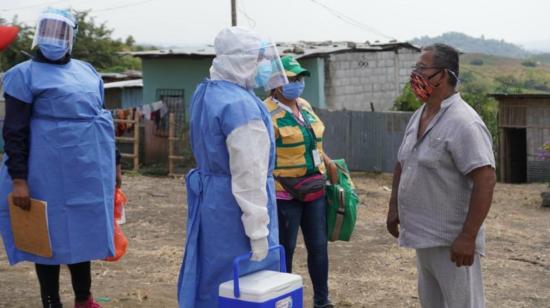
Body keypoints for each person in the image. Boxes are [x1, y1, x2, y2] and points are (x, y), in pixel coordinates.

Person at [0, 8, 121, 308]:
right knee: (47, 238)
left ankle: (84, 299)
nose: (54, 38)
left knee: (83, 234)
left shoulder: (87, 71)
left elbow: (102, 119)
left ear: (71, 37)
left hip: (88, 171)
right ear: (39, 35)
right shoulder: (22, 75)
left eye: (61, 31)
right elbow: (14, 131)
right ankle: (51, 301)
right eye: (49, 30)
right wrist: (19, 180)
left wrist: (114, 164)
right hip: (45, 171)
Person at [177, 27, 288, 308]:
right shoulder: (241, 107)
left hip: (213, 203)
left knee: (212, 278)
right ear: (240, 60)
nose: (264, 66)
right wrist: (258, 231)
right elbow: (249, 173)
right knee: (241, 282)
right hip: (236, 211)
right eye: (258, 58)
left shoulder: (208, 92)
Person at [386, 43, 496, 308]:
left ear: (443, 75)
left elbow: (486, 179)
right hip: (424, 237)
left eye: (422, 69)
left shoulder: (464, 122)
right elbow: (404, 161)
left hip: (453, 244)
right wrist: (394, 207)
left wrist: (468, 237)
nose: (416, 75)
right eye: (416, 68)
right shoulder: (419, 115)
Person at [264, 55, 337, 308]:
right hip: (284, 193)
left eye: (300, 78)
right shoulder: (266, 112)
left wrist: (328, 162)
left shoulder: (304, 105)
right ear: (276, 82)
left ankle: (322, 300)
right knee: (286, 250)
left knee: (318, 247)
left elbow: (314, 142)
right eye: (291, 79)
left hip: (314, 189)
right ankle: (283, 300)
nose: (297, 83)